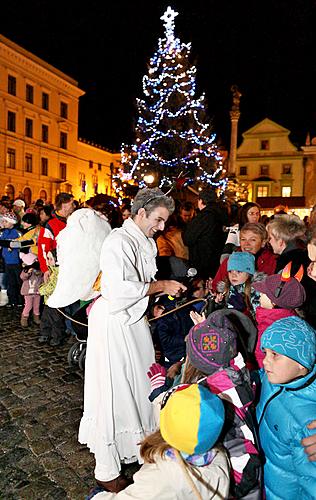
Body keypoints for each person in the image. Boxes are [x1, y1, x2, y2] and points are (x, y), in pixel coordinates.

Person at [78, 188, 187, 493]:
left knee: (139, 383)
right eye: (158, 219)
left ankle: (137, 447)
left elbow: (137, 286)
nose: (162, 227)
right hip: (114, 325)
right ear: (140, 213)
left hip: (132, 321)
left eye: (165, 221)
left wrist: (154, 297)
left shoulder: (143, 240)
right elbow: (116, 292)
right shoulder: (118, 241)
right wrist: (161, 284)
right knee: (112, 389)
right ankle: (107, 468)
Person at [149, 309, 263, 498]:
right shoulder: (236, 376)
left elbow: (178, 425)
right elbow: (216, 352)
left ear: (194, 361)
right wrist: (206, 330)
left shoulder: (212, 400)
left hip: (231, 488)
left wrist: (160, 395)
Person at [91, 384, 230, 500]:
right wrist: (158, 394)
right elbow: (184, 422)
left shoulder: (160, 477)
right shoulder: (220, 458)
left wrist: (97, 497)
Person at [256, 316, 316, 499]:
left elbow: (312, 483)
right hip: (264, 479)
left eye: (275, 354)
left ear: (301, 363)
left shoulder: (308, 424)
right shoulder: (274, 377)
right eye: (265, 352)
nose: (266, 361)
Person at [37, 192, 75, 346]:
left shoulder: (73, 221)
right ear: (64, 205)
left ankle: (47, 331)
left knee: (52, 302)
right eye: (72, 203)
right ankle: (54, 334)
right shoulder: (51, 225)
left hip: (69, 268)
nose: (74, 206)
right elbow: (43, 249)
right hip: (55, 270)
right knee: (55, 302)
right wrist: (45, 269)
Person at [252, 265, 306, 368]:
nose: (259, 296)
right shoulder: (293, 319)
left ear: (273, 302)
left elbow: (260, 357)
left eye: (263, 294)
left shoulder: (269, 326)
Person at [212, 222, 277, 292]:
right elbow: (216, 286)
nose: (247, 244)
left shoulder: (272, 261)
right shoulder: (230, 261)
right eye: (243, 239)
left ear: (263, 243)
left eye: (253, 240)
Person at [183, 189, 228, 279]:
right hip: (219, 261)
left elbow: (188, 239)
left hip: (203, 262)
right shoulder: (223, 215)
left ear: (200, 201)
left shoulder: (203, 217)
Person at [0, 212, 22, 307]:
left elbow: (23, 244)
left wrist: (13, 246)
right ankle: (13, 300)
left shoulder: (17, 232)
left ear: (11, 222)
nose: (3, 223)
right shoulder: (4, 232)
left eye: (5, 221)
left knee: (19, 281)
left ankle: (21, 300)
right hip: (7, 262)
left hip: (16, 261)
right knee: (10, 281)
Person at [19, 252, 43, 327]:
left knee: (36, 306)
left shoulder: (38, 270)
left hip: (37, 292)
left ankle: (36, 318)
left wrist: (38, 273)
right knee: (28, 306)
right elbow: (22, 277)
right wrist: (28, 273)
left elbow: (41, 278)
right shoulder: (25, 270)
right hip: (28, 293)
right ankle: (24, 318)